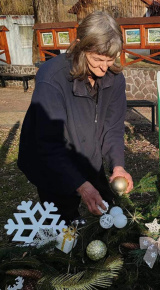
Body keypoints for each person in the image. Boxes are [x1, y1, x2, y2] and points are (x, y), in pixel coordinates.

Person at [18, 11, 133, 223]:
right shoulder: (51, 78)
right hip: (52, 160)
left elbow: (113, 127)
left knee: (110, 216)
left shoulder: (114, 78)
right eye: (97, 59)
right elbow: (49, 144)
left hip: (89, 154)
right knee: (63, 222)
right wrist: (80, 185)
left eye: (110, 59)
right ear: (80, 46)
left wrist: (117, 164)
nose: (104, 67)